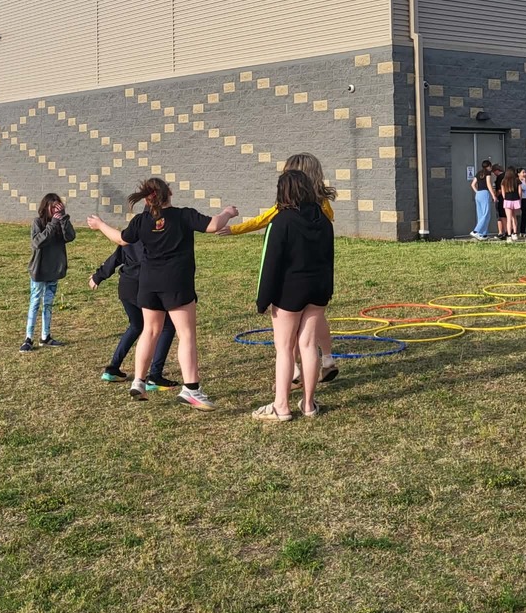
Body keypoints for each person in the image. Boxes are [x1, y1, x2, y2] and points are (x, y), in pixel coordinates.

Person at [87, 178, 238, 409]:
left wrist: (99, 224)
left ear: (147, 198)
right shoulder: (183, 215)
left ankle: (138, 381)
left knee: (150, 330)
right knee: (186, 334)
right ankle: (192, 390)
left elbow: (120, 239)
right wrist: (228, 212)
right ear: (170, 193)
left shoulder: (141, 221)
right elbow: (214, 225)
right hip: (176, 282)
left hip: (148, 283)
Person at [222, 151, 339, 385]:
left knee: (290, 336)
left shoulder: (287, 211)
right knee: (314, 322)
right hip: (318, 277)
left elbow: (265, 220)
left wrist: (236, 229)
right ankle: (326, 360)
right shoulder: (322, 208)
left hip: (293, 279)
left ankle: (292, 374)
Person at [252, 170, 334, 421]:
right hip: (318, 290)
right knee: (309, 345)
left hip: (289, 292)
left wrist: (262, 299)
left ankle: (281, 406)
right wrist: (327, 289)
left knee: (285, 349)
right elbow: (329, 257)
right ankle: (308, 404)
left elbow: (270, 263)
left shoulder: (281, 222)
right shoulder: (323, 219)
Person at [90, 243, 178, 391]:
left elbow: (116, 257)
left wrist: (98, 276)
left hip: (126, 287)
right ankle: (155, 376)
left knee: (137, 325)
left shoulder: (132, 233)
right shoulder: (155, 234)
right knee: (167, 326)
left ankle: (113, 368)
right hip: (146, 288)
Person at [20, 193, 76, 352]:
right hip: (39, 270)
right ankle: (28, 338)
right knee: (35, 302)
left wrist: (64, 219)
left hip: (54, 270)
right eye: (53, 208)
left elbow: (70, 237)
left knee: (48, 303)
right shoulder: (38, 222)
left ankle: (46, 336)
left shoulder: (60, 222)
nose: (55, 211)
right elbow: (37, 242)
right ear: (46, 208)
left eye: (58, 207)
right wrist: (53, 224)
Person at [469, 159, 495, 240]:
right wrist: (493, 195)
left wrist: (477, 192)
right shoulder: (488, 172)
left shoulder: (478, 173)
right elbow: (488, 184)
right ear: (489, 166)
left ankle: (483, 234)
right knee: (486, 214)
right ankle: (476, 231)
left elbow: (472, 184)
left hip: (478, 194)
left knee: (480, 214)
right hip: (485, 193)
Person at [500, 166, 521, 241]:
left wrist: (505, 198)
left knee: (508, 218)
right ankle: (515, 234)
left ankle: (509, 235)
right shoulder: (517, 180)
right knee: (514, 217)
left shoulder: (503, 181)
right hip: (515, 200)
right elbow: (520, 192)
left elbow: (503, 193)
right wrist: (519, 199)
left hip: (507, 200)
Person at [492, 164, 508, 239]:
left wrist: (495, 196)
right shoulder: (507, 175)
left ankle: (504, 232)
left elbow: (500, 190)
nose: (494, 174)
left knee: (501, 216)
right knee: (508, 216)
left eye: (494, 172)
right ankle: (506, 232)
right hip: (509, 198)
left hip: (501, 198)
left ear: (497, 171)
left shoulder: (500, 177)